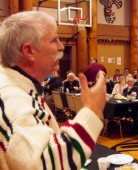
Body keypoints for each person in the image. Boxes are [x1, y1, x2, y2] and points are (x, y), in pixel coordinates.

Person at [0, 11, 106, 170]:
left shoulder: (18, 84)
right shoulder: (11, 98)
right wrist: (92, 110)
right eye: (54, 40)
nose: (61, 46)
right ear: (29, 51)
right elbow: (43, 164)